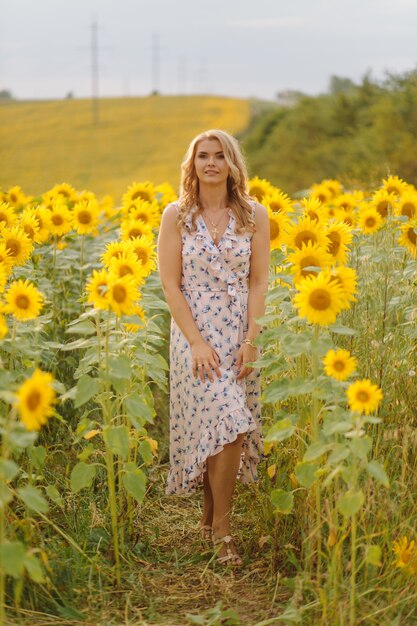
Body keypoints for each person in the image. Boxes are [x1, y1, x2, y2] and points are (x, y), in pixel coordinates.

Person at [157, 129, 270, 566]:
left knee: (223, 427)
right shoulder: (177, 215)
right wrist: (197, 342)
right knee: (229, 419)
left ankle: (208, 519)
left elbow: (258, 281)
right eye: (203, 155)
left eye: (219, 155)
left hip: (238, 332)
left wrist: (252, 340)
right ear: (193, 163)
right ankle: (223, 529)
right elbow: (170, 283)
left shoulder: (253, 214)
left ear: (231, 164)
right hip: (194, 333)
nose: (211, 163)